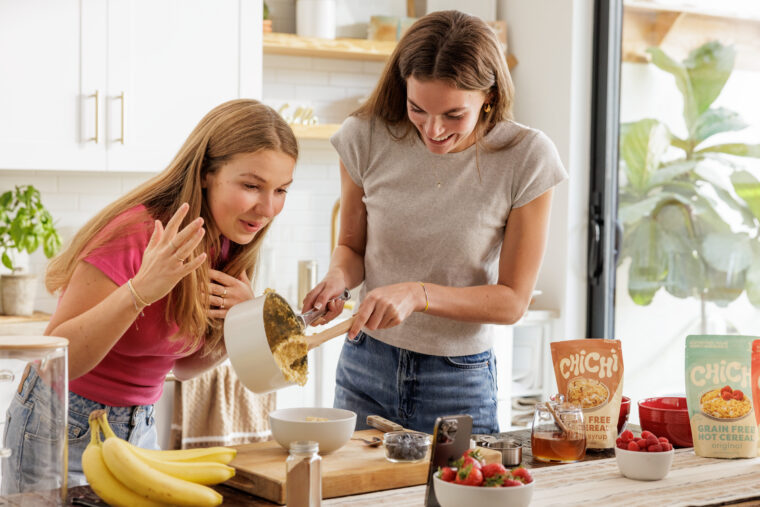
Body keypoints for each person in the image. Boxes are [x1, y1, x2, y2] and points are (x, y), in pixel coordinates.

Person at [1, 99, 298, 493]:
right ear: (207, 172)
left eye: (280, 190)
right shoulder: (136, 232)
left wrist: (240, 322)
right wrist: (140, 291)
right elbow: (57, 360)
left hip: (139, 426)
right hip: (60, 425)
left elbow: (186, 367)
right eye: (251, 186)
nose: (267, 208)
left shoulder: (228, 243)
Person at [303, 10, 567, 435]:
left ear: (490, 96)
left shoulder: (527, 157)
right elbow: (352, 248)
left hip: (458, 378)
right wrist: (337, 278)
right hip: (365, 363)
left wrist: (418, 294)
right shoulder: (365, 135)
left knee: (460, 499)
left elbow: (512, 301)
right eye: (417, 109)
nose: (433, 129)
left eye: (453, 115)